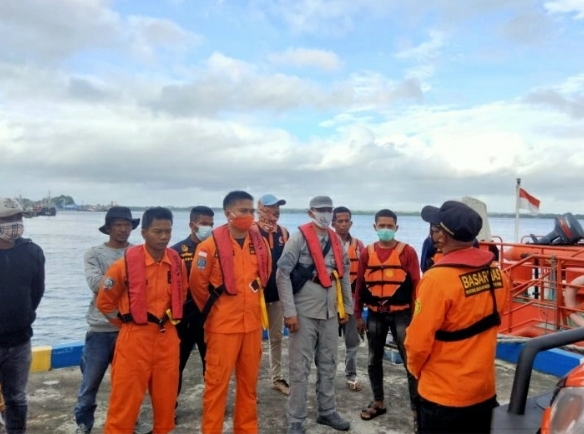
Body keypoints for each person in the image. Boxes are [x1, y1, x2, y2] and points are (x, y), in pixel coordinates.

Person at [405, 201, 511, 434]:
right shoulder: (498, 274)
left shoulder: (436, 281)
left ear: (441, 236)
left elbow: (417, 343)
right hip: (483, 390)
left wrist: (418, 372)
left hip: (443, 397)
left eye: (434, 228)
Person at [96, 207, 188, 434]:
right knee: (123, 409)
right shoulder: (124, 265)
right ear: (144, 233)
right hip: (134, 340)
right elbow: (105, 303)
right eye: (158, 231)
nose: (164, 237)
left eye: (168, 231)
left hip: (167, 339)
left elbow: (182, 293)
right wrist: (128, 324)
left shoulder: (176, 264)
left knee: (166, 408)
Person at [190, 191, 271, 434]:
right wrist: (221, 311)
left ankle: (246, 430)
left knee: (249, 387)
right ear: (228, 214)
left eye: (251, 211)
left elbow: (263, 278)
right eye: (243, 211)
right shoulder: (208, 247)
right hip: (222, 328)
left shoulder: (260, 243)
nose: (249, 216)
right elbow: (197, 287)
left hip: (252, 326)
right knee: (216, 386)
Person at [276, 195, 353, 434]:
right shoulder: (298, 239)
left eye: (329, 209)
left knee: (329, 364)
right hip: (304, 312)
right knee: (300, 368)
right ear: (310, 212)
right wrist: (289, 312)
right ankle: (296, 419)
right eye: (321, 209)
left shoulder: (337, 242)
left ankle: (327, 411)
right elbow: (282, 275)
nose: (325, 213)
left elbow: (345, 275)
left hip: (330, 312)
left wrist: (347, 308)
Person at [74, 206, 140, 434]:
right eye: (118, 225)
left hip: (131, 328)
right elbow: (95, 284)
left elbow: (148, 286)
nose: (123, 229)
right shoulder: (94, 253)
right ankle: (84, 423)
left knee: (129, 383)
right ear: (109, 228)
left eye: (127, 225)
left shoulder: (139, 252)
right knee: (90, 381)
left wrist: (113, 282)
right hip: (100, 328)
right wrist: (129, 282)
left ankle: (129, 421)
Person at [354, 209, 420, 424]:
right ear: (374, 227)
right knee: (373, 359)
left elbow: (417, 286)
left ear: (396, 228)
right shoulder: (366, 253)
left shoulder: (407, 252)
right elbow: (360, 286)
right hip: (374, 315)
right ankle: (378, 401)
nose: (385, 229)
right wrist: (357, 314)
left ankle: (417, 408)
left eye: (389, 226)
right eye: (381, 226)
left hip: (402, 314)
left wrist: (417, 316)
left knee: (410, 361)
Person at [0, 197, 45, 434]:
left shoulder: (32, 252)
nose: (14, 223)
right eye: (6, 219)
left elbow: (37, 292)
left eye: (17, 217)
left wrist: (24, 316)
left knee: (16, 398)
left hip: (19, 342)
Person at [170, 205, 214, 405]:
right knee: (175, 365)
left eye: (211, 224)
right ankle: (170, 405)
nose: (209, 228)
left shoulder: (217, 249)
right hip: (184, 319)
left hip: (210, 317)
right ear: (192, 225)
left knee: (212, 365)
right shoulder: (177, 252)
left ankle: (212, 403)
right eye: (204, 224)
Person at [255, 194, 291, 396]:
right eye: (270, 206)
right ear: (260, 208)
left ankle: (277, 378)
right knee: (251, 343)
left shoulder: (284, 233)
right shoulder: (250, 231)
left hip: (276, 294)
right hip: (254, 296)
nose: (275, 210)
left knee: (276, 338)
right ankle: (248, 384)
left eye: (278, 206)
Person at [331, 206, 365, 391]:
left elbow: (364, 276)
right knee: (327, 341)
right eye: (340, 221)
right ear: (333, 223)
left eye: (346, 221)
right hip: (329, 299)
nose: (343, 224)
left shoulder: (359, 246)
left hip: (351, 298)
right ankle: (327, 374)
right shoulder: (326, 243)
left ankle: (351, 374)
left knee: (352, 341)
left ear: (351, 223)